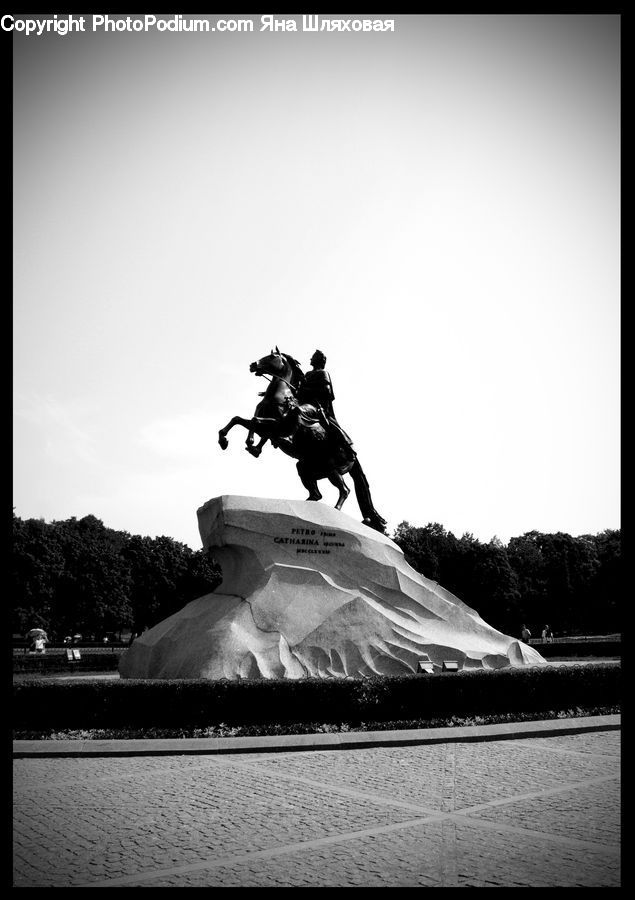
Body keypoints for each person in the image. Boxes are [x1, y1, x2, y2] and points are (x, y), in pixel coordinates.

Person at [297, 350, 353, 449]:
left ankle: (346, 446)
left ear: (318, 360)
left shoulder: (323, 373)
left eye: (313, 357)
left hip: (318, 405)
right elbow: (300, 390)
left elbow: (326, 390)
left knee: (330, 425)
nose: (311, 359)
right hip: (305, 404)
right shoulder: (307, 374)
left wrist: (307, 390)